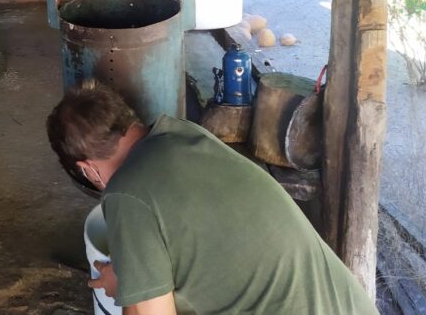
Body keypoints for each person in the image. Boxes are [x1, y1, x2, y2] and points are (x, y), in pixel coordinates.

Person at [46, 84, 378, 315]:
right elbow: (204, 250)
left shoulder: (126, 193)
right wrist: (134, 278)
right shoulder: (184, 134)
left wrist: (131, 294)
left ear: (87, 169)